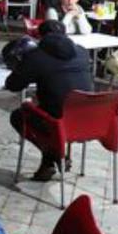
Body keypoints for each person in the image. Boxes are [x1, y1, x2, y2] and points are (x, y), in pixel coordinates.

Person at [6, 20, 94, 181]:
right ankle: (51, 159)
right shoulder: (82, 52)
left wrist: (25, 68)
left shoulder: (36, 56)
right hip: (88, 120)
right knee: (50, 107)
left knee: (19, 116)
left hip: (56, 120)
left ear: (40, 37)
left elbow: (13, 85)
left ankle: (52, 155)